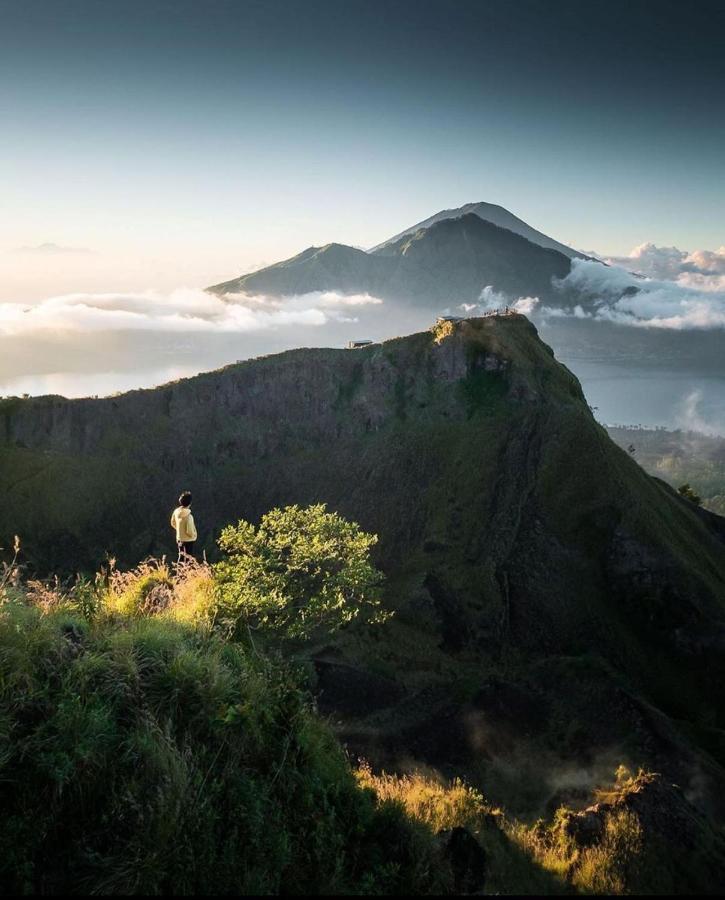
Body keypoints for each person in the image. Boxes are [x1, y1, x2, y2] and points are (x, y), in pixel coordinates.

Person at [170, 491, 197, 562]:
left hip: (179, 538)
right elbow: (190, 531)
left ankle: (179, 572)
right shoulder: (189, 516)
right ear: (190, 503)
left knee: (181, 556)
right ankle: (186, 572)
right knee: (188, 558)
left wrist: (179, 530)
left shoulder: (176, 512)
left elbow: (172, 522)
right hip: (188, 540)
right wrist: (194, 536)